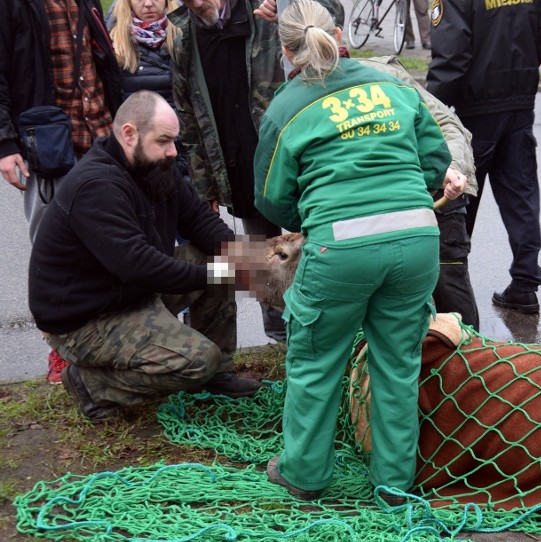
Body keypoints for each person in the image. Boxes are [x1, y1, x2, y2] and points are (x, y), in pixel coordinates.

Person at [254, 0, 455, 504]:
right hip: (416, 242)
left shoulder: (286, 106)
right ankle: (394, 482)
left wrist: (313, 218)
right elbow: (435, 158)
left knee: (317, 360)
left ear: (285, 50)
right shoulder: (390, 85)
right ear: (339, 33)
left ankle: (303, 473)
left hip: (339, 249)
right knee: (397, 361)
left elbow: (272, 198)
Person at [28, 90, 261, 424]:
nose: (172, 151)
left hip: (127, 292)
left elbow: (197, 219)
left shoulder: (154, 166)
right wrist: (220, 274)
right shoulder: (96, 186)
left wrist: (241, 258)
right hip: (86, 319)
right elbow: (140, 265)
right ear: (128, 134)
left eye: (174, 141)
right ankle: (92, 384)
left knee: (209, 255)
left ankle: (217, 376)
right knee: (198, 358)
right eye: (164, 141)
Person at [255, 0, 480, 329]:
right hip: (403, 227)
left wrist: (449, 173)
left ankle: (467, 373)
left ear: (286, 52)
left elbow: (447, 128)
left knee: (452, 309)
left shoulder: (380, 75)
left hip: (430, 206)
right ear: (337, 34)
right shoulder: (306, 97)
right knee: (400, 339)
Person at [0, 0, 123, 383]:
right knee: (52, 253)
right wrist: (5, 144)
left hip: (101, 136)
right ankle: (60, 350)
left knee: (112, 242)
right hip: (49, 142)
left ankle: (110, 344)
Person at [169, 0, 288, 343]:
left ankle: (329, 327)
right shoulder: (184, 35)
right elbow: (188, 117)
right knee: (262, 249)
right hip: (238, 164)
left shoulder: (264, 10)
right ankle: (280, 333)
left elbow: (329, 19)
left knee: (313, 239)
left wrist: (288, 11)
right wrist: (205, 188)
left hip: (289, 155)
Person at [427, 0, 541, 314]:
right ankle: (525, 283)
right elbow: (540, 38)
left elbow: (452, 55)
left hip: (476, 106)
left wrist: (429, 112)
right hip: (519, 102)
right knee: (520, 195)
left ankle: (451, 291)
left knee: (456, 198)